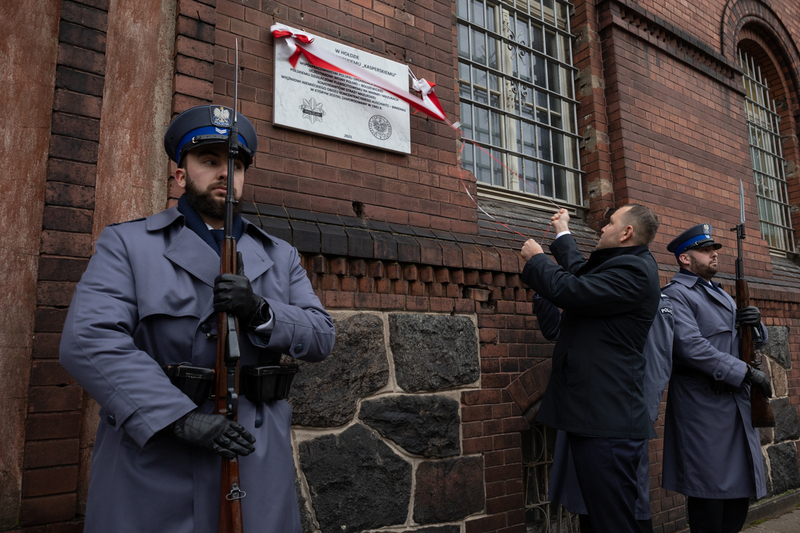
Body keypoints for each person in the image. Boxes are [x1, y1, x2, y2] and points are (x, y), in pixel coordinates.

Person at [59, 105, 336, 532]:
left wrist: (260, 310)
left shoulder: (280, 256)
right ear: (180, 175)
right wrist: (178, 418)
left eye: (236, 164)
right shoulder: (129, 245)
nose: (226, 173)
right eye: (209, 161)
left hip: (255, 457)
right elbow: (89, 340)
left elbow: (321, 336)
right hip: (158, 458)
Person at [520, 205, 661, 532]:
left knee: (612, 522)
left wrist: (538, 259)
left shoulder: (636, 271)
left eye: (609, 223)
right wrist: (562, 232)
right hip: (598, 419)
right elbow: (584, 273)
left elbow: (572, 290)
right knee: (600, 519)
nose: (601, 227)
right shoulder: (628, 265)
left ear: (626, 233)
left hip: (608, 424)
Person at [533, 290, 674, 533]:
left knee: (628, 508)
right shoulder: (593, 290)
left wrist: (639, 420)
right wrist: (545, 286)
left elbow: (658, 362)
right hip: (585, 415)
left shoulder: (646, 296)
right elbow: (555, 330)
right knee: (590, 507)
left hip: (623, 421)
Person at [662, 223, 771, 533]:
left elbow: (746, 343)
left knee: (737, 503)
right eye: (705, 249)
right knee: (709, 504)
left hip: (735, 408)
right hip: (703, 412)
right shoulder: (676, 295)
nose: (713, 254)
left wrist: (756, 325)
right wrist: (747, 372)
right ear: (685, 258)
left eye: (714, 249)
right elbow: (691, 348)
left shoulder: (721, 294)